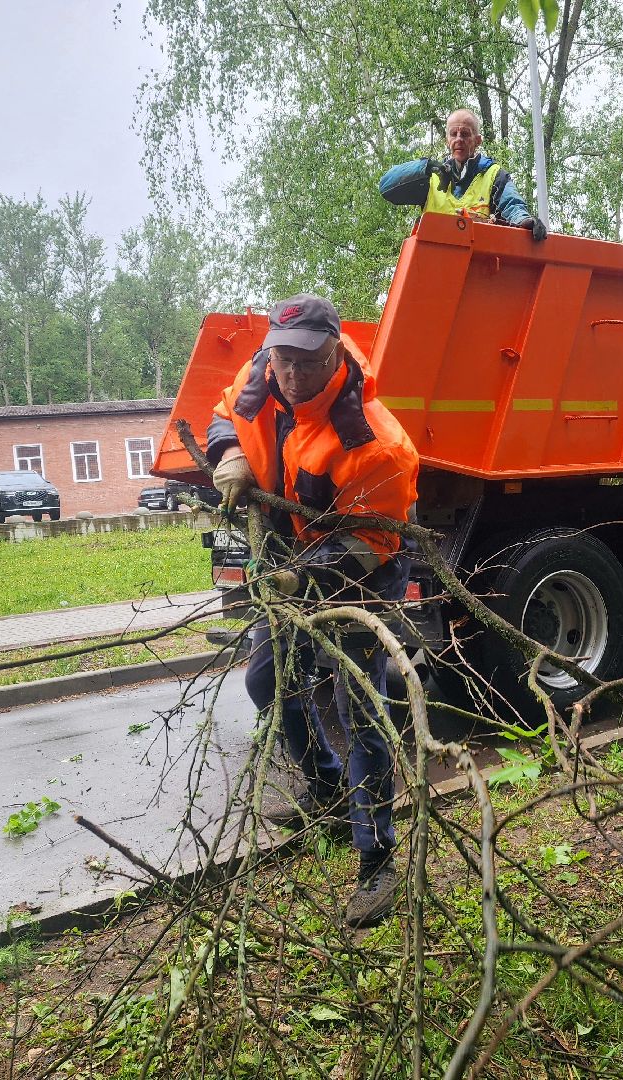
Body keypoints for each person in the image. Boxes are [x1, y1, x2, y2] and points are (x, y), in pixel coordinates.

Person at [205, 293, 419, 929]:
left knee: (359, 704)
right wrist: (229, 453)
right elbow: (222, 412)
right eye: (281, 360)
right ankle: (325, 790)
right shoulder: (263, 374)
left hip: (356, 571)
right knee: (266, 678)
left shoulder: (375, 441)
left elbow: (373, 540)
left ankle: (377, 861)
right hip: (288, 556)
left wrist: (309, 574)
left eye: (304, 362)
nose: (290, 375)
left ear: (334, 353)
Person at [378, 108, 548, 240]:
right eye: (454, 134)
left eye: (465, 134)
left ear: (477, 140)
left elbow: (512, 205)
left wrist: (525, 220)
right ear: (447, 140)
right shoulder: (430, 177)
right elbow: (386, 186)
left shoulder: (493, 174)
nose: (459, 138)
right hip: (432, 269)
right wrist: (427, 166)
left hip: (476, 271)